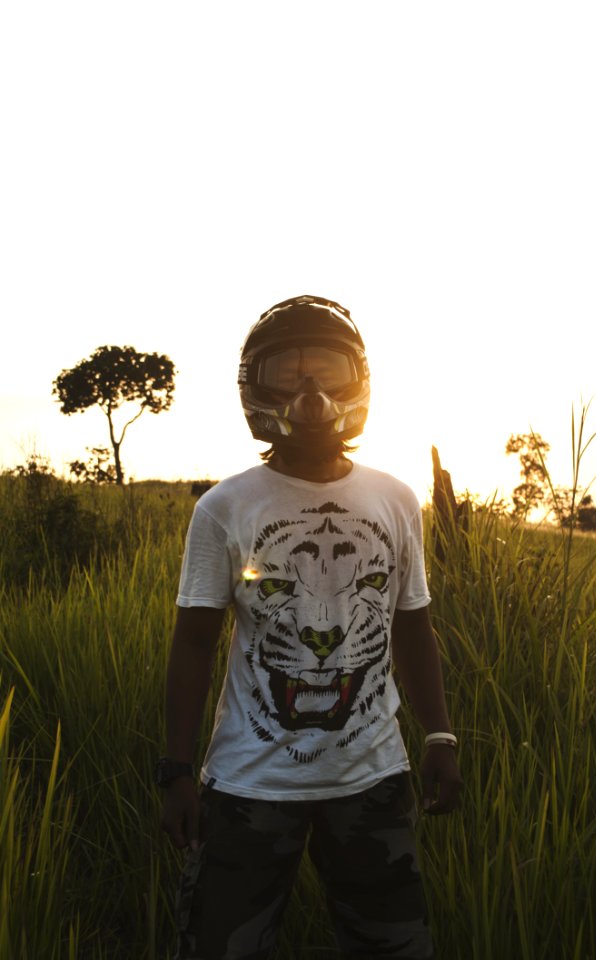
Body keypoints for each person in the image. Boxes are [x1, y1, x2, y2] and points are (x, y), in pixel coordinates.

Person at [159, 295, 463, 960]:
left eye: (324, 369)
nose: (309, 392)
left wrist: (438, 733)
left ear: (356, 379)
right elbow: (193, 642)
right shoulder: (224, 507)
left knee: (394, 947)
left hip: (373, 778)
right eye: (287, 371)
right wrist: (175, 771)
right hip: (247, 786)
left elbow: (413, 624)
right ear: (254, 386)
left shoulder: (394, 497)